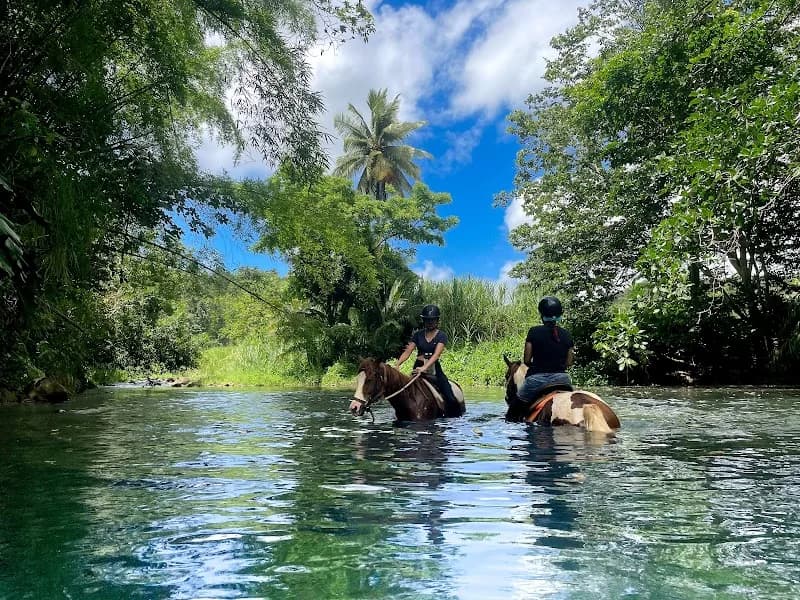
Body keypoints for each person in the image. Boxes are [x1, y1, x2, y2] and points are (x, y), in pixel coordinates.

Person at [395, 304, 460, 417]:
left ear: (437, 320)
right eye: (427, 320)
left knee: (449, 395)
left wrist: (424, 368)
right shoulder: (418, 335)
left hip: (434, 368)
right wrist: (398, 364)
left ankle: (453, 417)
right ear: (424, 320)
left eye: (432, 320)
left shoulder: (441, 336)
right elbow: (408, 351)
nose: (430, 322)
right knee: (404, 391)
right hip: (418, 366)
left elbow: (436, 355)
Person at [517, 296, 575, 405]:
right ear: (559, 315)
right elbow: (569, 362)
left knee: (513, 412)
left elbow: (527, 360)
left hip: (536, 380)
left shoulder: (534, 331)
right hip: (563, 380)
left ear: (542, 315)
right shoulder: (567, 334)